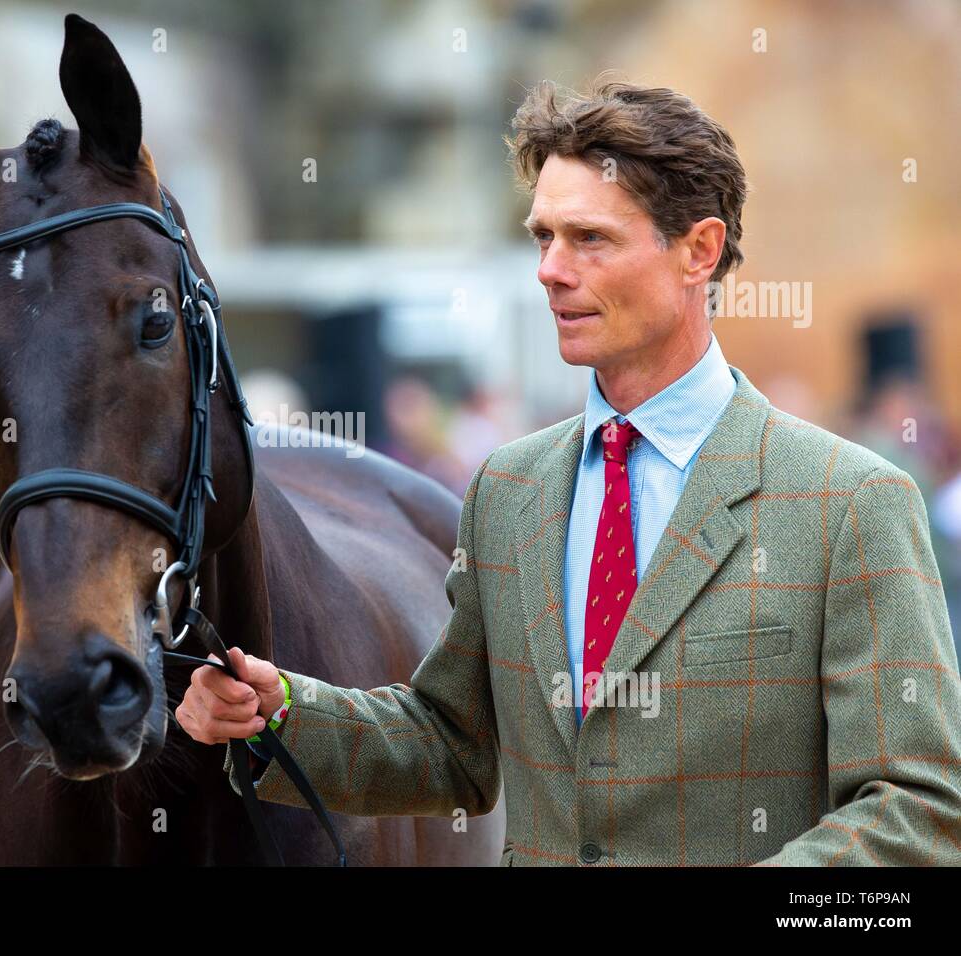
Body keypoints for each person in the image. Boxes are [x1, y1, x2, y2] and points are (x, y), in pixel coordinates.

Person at [176, 78, 961, 866]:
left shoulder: (852, 502)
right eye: (542, 237)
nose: (552, 270)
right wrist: (282, 711)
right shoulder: (508, 490)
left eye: (589, 238)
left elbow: (918, 811)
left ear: (700, 251)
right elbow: (455, 744)